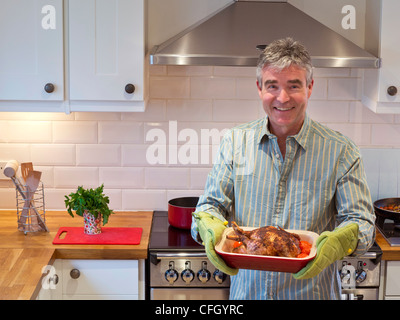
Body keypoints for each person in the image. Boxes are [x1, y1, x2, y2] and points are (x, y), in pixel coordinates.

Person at [191, 37, 376, 300]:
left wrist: (341, 241)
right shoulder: (235, 142)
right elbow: (209, 205)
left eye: (294, 85)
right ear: (259, 88)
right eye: (272, 86)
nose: (283, 97)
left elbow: (362, 223)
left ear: (310, 87)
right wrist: (209, 226)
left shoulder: (341, 151)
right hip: (248, 294)